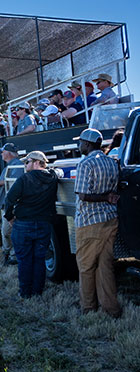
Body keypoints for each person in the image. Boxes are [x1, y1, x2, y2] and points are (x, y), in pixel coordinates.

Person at [74, 129, 122, 318]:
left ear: (87, 144)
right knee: (105, 266)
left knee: (85, 267)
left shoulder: (85, 163)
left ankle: (87, 308)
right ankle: (112, 309)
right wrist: (109, 198)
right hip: (110, 220)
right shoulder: (112, 161)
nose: (79, 146)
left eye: (81, 142)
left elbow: (84, 195)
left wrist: (104, 197)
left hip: (89, 222)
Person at [4, 151, 59, 298]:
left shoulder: (24, 179)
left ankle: (25, 293)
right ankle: (37, 292)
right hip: (44, 224)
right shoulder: (53, 178)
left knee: (24, 260)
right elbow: (56, 172)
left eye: (27, 161)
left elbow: (9, 200)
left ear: (36, 162)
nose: (25, 164)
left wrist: (9, 217)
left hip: (23, 224)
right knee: (39, 259)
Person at [0, 144, 24, 265]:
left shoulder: (18, 165)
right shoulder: (10, 165)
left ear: (9, 153)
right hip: (5, 204)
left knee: (8, 231)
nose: (1, 154)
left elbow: (15, 182)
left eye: (3, 152)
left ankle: (13, 255)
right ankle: (8, 254)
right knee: (6, 231)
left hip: (11, 205)